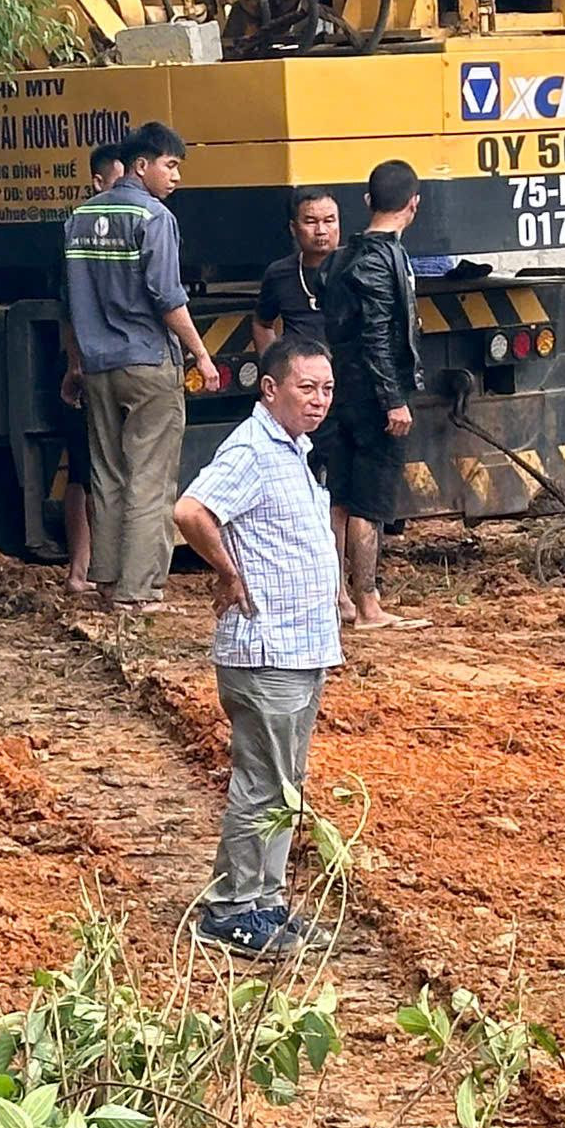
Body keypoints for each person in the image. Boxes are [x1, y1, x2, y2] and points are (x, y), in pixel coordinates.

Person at [171, 336, 343, 959]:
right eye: (306, 388)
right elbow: (191, 512)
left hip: (301, 648)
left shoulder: (291, 450)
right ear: (270, 389)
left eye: (327, 389)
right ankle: (231, 910)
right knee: (263, 783)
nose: (319, 400)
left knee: (284, 784)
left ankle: (265, 903)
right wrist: (228, 572)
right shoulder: (251, 450)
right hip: (267, 650)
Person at [62, 120, 223, 612]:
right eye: (170, 165)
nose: (176, 177)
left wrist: (75, 364)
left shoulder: (79, 218)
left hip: (98, 366)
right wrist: (201, 354)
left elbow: (70, 299)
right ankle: (140, 591)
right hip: (148, 362)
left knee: (107, 473)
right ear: (140, 165)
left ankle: (108, 581)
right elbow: (167, 297)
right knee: (150, 479)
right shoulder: (154, 217)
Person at [318, 159, 427, 630]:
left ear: (367, 201)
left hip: (342, 389)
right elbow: (377, 336)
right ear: (413, 204)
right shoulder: (384, 260)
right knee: (369, 501)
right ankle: (368, 605)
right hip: (374, 397)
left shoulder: (342, 257)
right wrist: (393, 399)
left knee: (339, 496)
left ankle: (336, 597)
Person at [57, 141, 125, 590]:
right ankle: (81, 570)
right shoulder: (80, 231)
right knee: (86, 469)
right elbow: (68, 306)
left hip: (122, 362)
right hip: (90, 363)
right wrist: (75, 362)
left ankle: (105, 568)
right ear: (98, 183)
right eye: (118, 183)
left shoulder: (139, 224)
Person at [253, 188, 341, 353]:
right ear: (293, 228)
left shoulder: (356, 268)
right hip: (300, 367)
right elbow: (262, 323)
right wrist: (273, 363)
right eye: (311, 222)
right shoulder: (278, 273)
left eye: (329, 220)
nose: (321, 230)